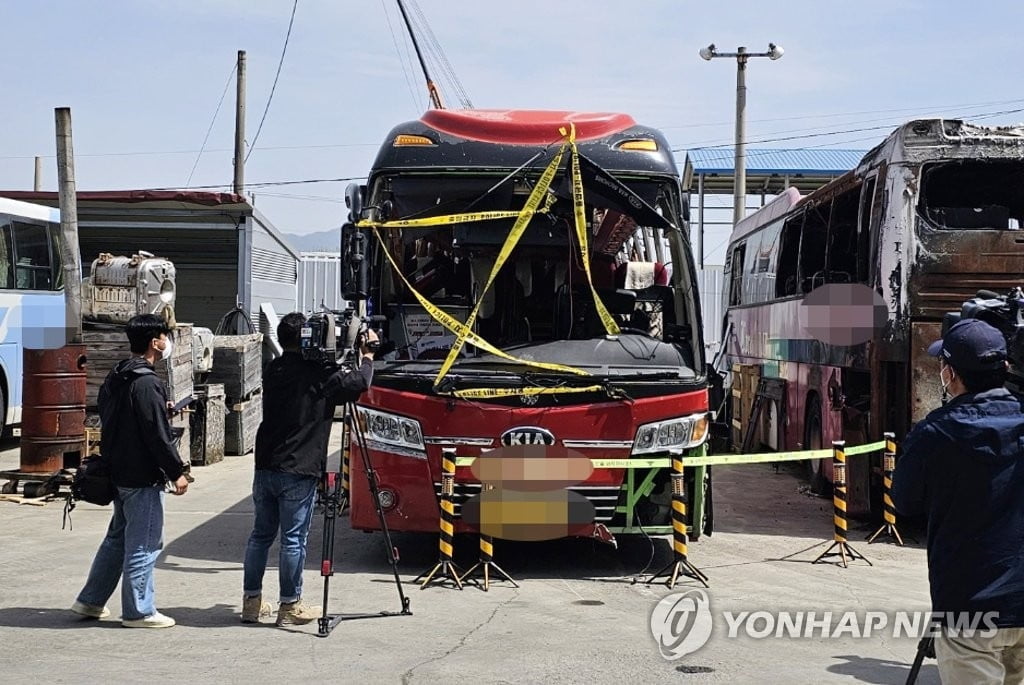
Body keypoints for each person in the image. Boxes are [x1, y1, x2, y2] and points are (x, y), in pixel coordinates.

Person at [892, 318, 1024, 684]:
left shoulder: (935, 433)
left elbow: (904, 503)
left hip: (970, 607)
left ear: (949, 373)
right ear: (1005, 368)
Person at [242, 313, 377, 627]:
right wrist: (366, 356)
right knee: (293, 540)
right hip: (298, 467)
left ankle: (252, 602)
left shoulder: (273, 368)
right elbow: (359, 383)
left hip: (266, 464)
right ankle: (289, 605)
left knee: (260, 537)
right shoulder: (318, 373)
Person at [72, 314, 189, 629]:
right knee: (146, 543)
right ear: (155, 342)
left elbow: (118, 419)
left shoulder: (118, 375)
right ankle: (139, 611)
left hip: (118, 471)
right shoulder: (148, 383)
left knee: (117, 540)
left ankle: (91, 600)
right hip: (142, 476)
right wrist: (176, 471)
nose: (167, 342)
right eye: (165, 337)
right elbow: (156, 435)